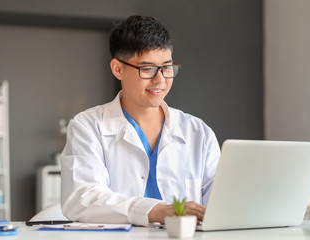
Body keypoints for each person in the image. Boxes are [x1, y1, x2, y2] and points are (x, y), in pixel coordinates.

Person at [60, 15, 220, 226]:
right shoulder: (88, 126)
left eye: (167, 67)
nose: (160, 80)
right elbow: (81, 198)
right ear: (118, 69)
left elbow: (220, 206)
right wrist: (155, 211)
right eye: (147, 69)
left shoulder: (198, 132)